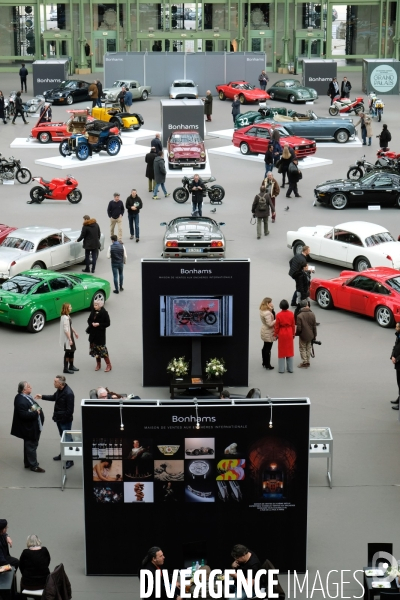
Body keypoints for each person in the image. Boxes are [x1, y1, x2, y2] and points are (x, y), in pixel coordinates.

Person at [35, 375, 75, 468]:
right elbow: (54, 397)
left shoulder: (69, 393)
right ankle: (64, 454)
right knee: (63, 438)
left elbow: (70, 411)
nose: (54, 383)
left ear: (60, 383)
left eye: (55, 382)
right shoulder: (60, 390)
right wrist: (42, 396)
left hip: (64, 421)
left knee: (67, 439)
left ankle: (70, 460)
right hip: (59, 419)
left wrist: (62, 420)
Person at [11, 381, 45, 473]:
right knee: (31, 445)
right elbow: (23, 415)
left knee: (29, 445)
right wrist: (35, 413)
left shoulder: (25, 397)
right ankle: (34, 466)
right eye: (29, 386)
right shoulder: (21, 401)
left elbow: (31, 406)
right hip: (29, 429)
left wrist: (38, 411)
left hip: (32, 427)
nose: (31, 387)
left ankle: (28, 462)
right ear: (24, 390)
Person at [88, 298, 111, 372]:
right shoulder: (93, 312)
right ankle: (98, 364)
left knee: (103, 351)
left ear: (100, 305)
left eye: (96, 305)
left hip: (100, 335)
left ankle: (108, 365)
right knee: (95, 351)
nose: (94, 306)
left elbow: (107, 323)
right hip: (93, 335)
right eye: (94, 304)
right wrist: (91, 323)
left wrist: (99, 324)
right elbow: (89, 320)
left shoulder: (104, 313)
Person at [274, 299, 295, 374]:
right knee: (289, 351)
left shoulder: (278, 315)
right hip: (289, 332)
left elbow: (277, 326)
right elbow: (293, 324)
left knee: (282, 351)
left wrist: (275, 334)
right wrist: (293, 333)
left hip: (282, 333)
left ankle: (281, 369)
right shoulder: (291, 314)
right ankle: (290, 368)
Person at [57, 303, 79, 375]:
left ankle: (71, 366)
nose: (71, 308)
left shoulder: (67, 316)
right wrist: (69, 339)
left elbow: (70, 326)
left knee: (72, 351)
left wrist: (75, 332)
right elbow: (66, 329)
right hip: (68, 337)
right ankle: (66, 368)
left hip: (70, 335)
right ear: (66, 308)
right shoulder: (65, 318)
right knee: (68, 352)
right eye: (70, 307)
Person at [296, 299, 317, 369]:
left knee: (302, 348)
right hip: (311, 335)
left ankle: (304, 362)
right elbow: (314, 326)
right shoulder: (312, 314)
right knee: (308, 348)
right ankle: (308, 361)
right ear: (307, 305)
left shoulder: (299, 316)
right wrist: (315, 335)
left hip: (303, 335)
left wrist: (297, 334)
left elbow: (299, 328)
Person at [260, 297, 275, 370]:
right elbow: (270, 324)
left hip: (264, 330)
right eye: (271, 302)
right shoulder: (267, 313)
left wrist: (271, 309)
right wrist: (276, 320)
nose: (272, 303)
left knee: (265, 347)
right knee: (268, 348)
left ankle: (264, 362)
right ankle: (268, 365)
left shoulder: (263, 311)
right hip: (268, 332)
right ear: (267, 303)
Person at [390, 323, 400, 410]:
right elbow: (395, 347)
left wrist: (397, 359)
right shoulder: (398, 335)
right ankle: (399, 399)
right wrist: (392, 356)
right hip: (398, 364)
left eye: (397, 327)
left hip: (399, 363)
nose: (395, 328)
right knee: (399, 382)